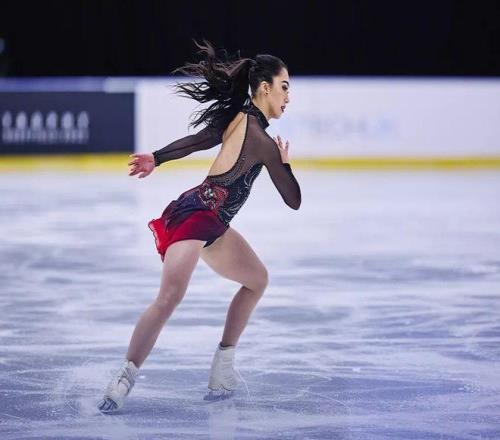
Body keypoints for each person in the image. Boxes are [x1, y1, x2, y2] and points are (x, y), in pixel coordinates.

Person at [97, 39, 301, 412]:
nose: (288, 97)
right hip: (196, 218)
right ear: (265, 87)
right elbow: (294, 199)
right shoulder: (262, 140)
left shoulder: (238, 116)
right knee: (170, 297)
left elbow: (197, 141)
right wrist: (284, 164)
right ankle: (123, 378)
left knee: (257, 280)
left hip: (213, 224)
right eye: (284, 87)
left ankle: (222, 368)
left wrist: (157, 157)